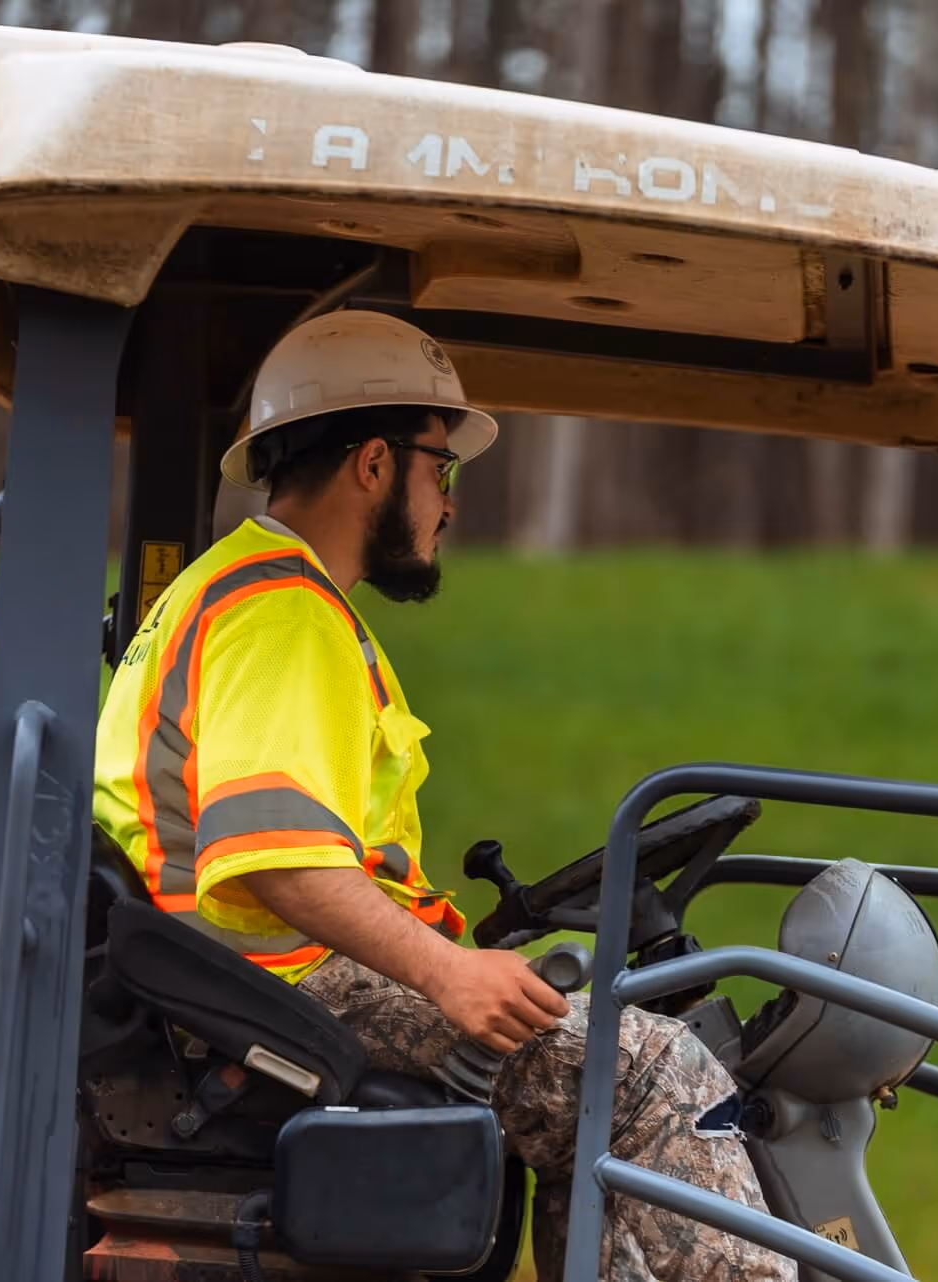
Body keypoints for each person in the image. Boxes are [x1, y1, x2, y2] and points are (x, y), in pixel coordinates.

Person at [92, 310, 795, 1282]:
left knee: (598, 1074)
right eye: (442, 470)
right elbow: (277, 858)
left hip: (245, 982)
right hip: (287, 986)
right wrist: (450, 972)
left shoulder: (232, 590)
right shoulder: (284, 614)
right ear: (374, 464)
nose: (450, 504)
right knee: (649, 1069)